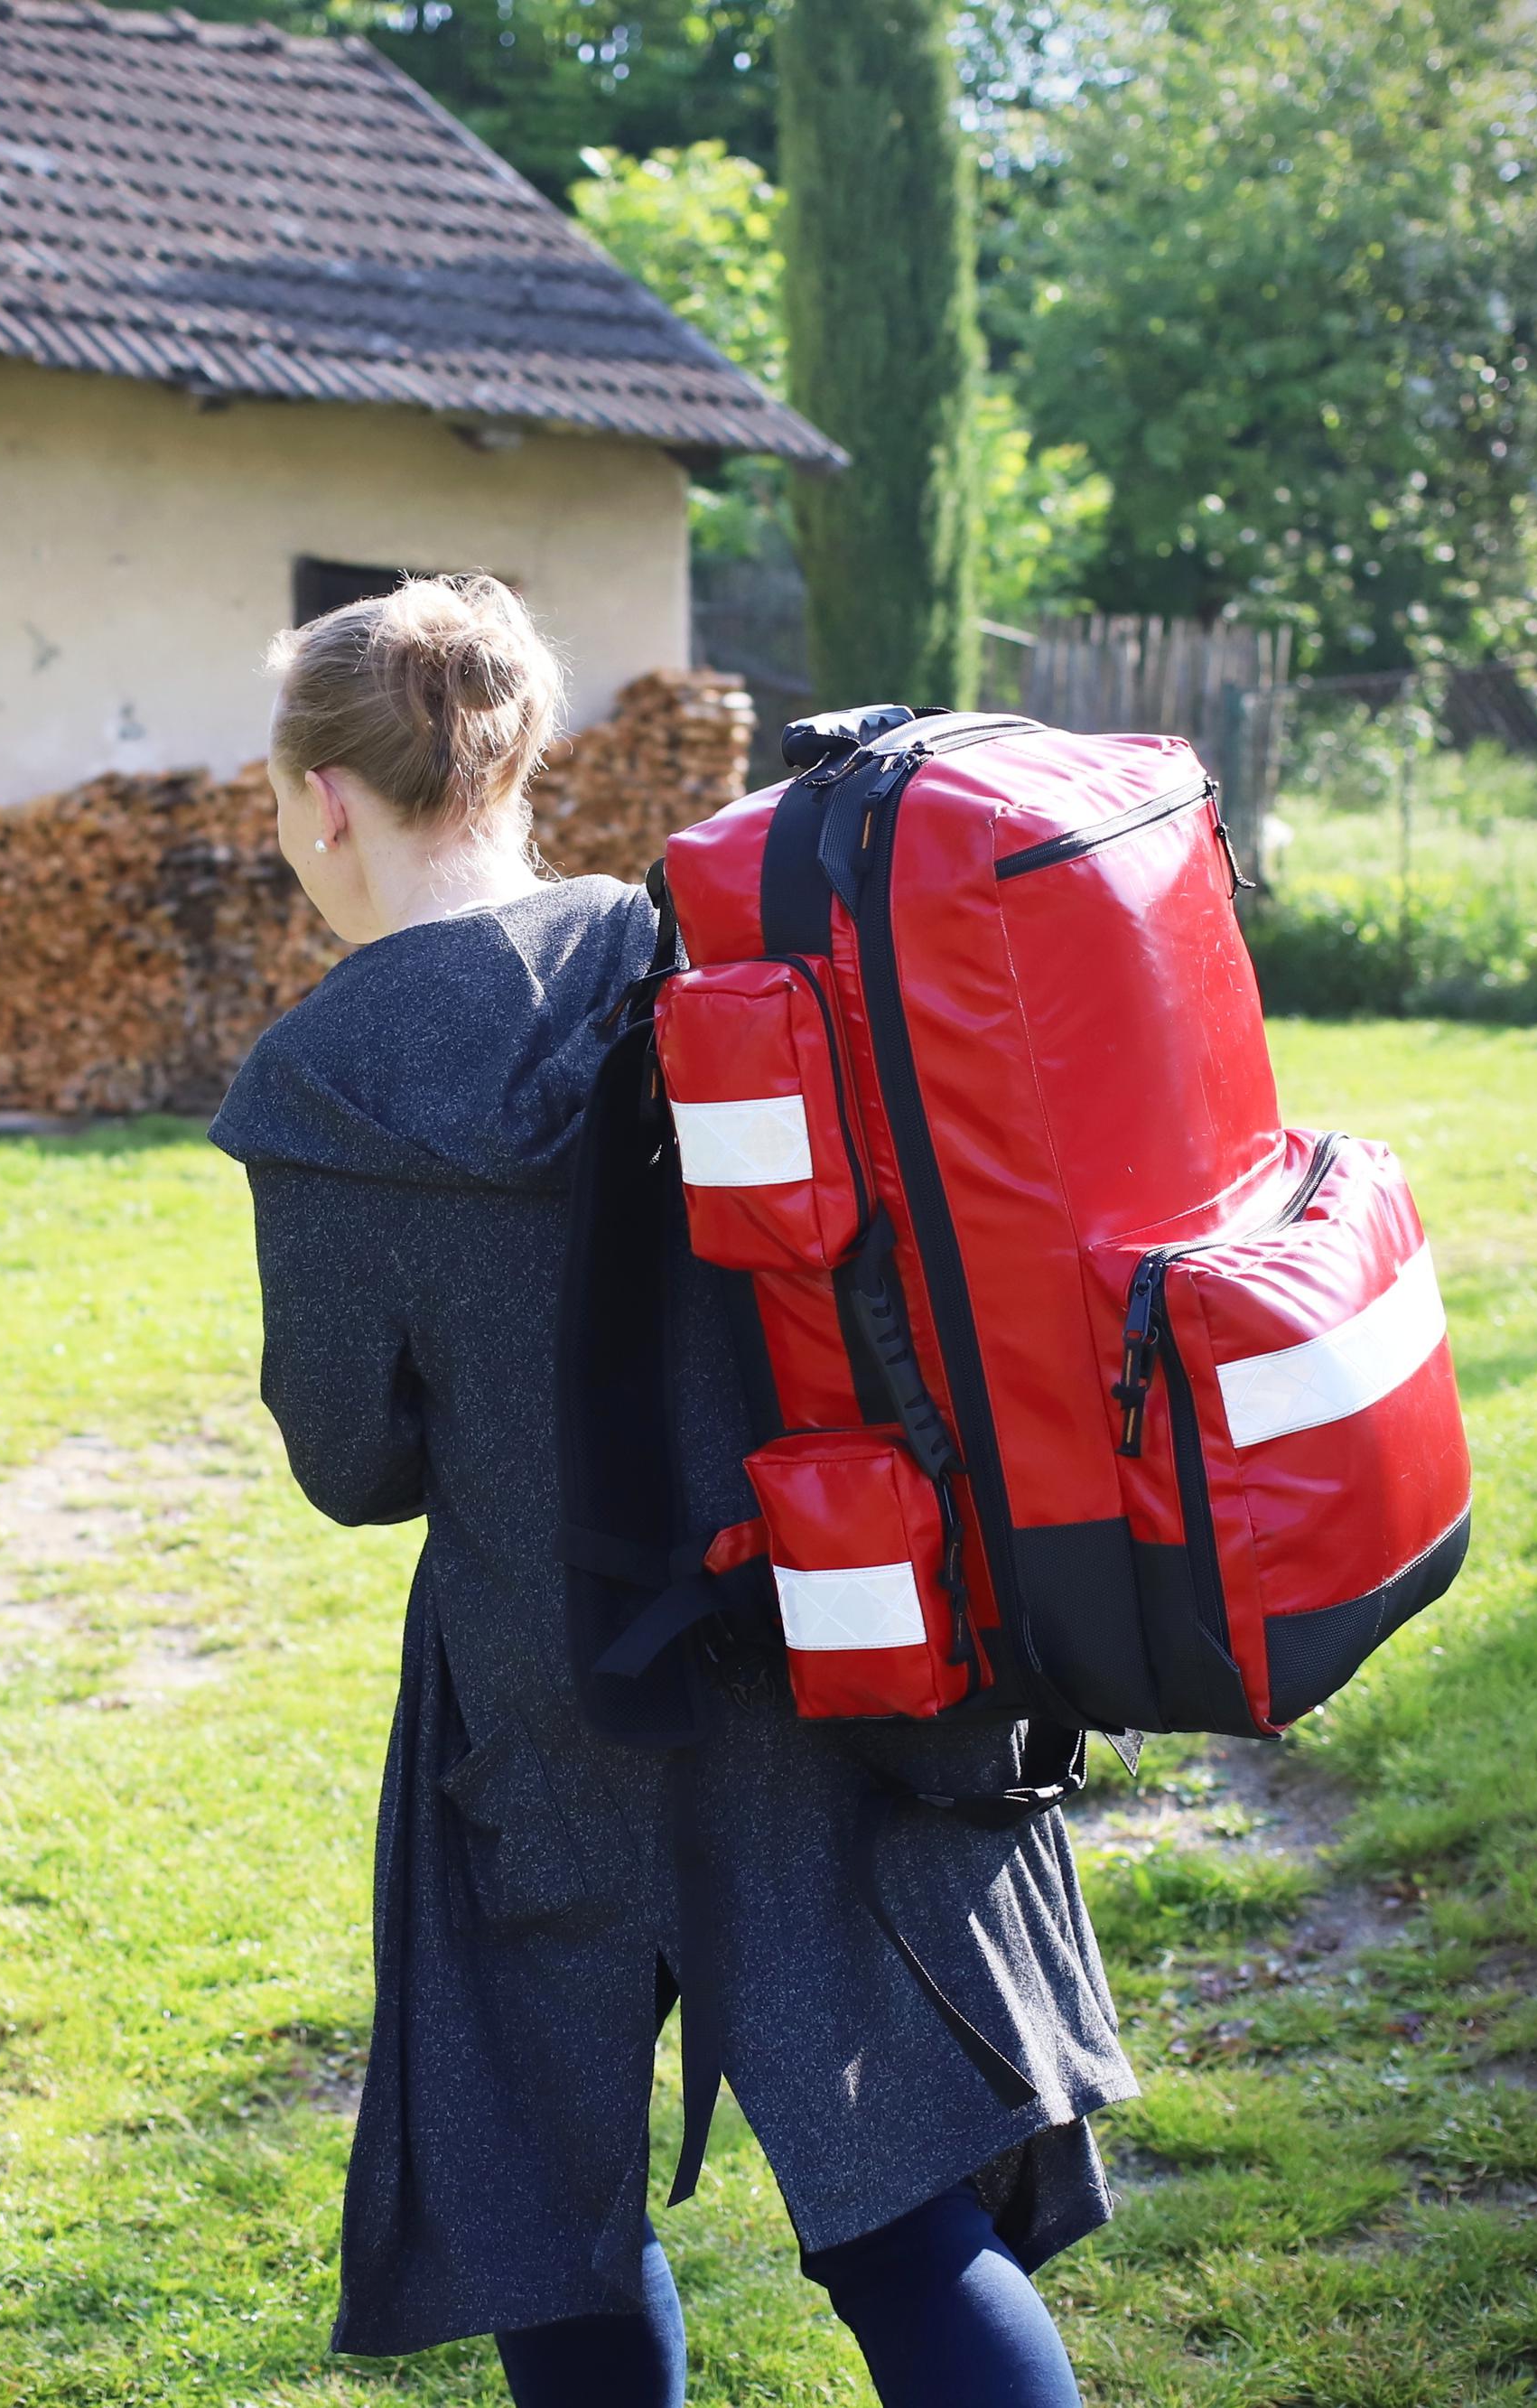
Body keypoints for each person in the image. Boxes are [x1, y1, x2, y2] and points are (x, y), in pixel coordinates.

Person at [208, 574, 1138, 2406]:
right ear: (519, 757)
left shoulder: (322, 1083)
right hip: (820, 1629)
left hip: (542, 1716)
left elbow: (350, 1462)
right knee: (893, 2219)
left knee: (544, 2202)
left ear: (321, 797)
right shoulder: (695, 959)